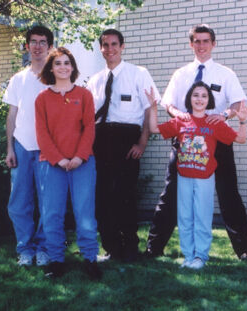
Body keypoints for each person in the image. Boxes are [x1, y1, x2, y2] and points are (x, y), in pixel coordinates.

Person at [145, 24, 247, 259]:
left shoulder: (226, 74)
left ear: (213, 44)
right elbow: (168, 103)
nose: (201, 45)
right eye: (197, 41)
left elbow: (237, 103)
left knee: (229, 194)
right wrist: (177, 114)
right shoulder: (181, 74)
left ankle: (244, 250)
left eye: (206, 41)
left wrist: (223, 115)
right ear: (191, 44)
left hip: (218, 139)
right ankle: (154, 247)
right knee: (170, 193)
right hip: (186, 140)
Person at [87, 29, 160, 263]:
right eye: (105, 45)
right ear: (100, 49)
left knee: (126, 196)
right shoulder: (95, 80)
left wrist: (142, 142)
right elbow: (89, 116)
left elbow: (150, 108)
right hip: (100, 140)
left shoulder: (138, 74)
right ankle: (111, 247)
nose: (110, 49)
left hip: (127, 139)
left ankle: (129, 248)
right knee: (103, 197)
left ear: (123, 46)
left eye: (114, 44)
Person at [35, 47, 101, 280]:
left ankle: (90, 258)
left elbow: (89, 127)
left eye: (67, 63)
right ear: (51, 69)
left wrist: (79, 156)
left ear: (72, 67)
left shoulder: (83, 95)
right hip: (52, 164)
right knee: (52, 213)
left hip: (82, 163)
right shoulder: (42, 98)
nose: (63, 67)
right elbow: (42, 133)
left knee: (85, 214)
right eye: (58, 63)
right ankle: (56, 260)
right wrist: (59, 159)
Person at [3, 25, 54, 266]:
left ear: (50, 46)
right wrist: (10, 149)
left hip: (49, 149)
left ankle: (44, 248)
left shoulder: (56, 77)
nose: (37, 46)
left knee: (48, 202)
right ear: (27, 46)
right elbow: (11, 116)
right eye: (33, 41)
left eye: (42, 42)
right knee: (19, 201)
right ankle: (25, 249)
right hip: (22, 147)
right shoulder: (18, 79)